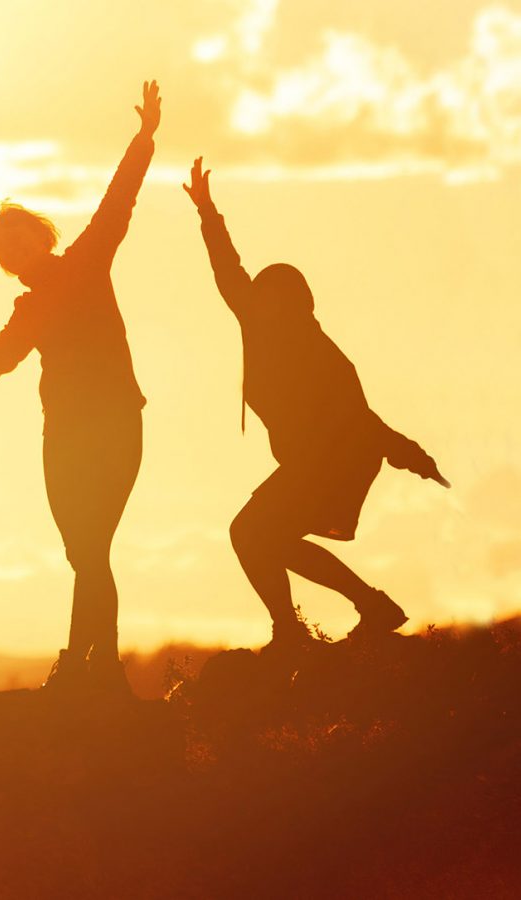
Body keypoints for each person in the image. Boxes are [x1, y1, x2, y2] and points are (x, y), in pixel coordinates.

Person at [0, 82, 161, 691]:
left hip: (116, 425)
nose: (13, 249)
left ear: (41, 238)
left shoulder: (84, 262)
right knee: (84, 553)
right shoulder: (29, 312)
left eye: (19, 237)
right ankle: (96, 663)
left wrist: (144, 137)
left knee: (93, 544)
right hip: (64, 437)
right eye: (3, 247)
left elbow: (117, 203)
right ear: (4, 262)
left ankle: (88, 664)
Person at [182, 157, 449, 651]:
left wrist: (408, 453)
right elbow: (228, 269)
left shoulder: (320, 353)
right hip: (309, 463)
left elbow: (360, 418)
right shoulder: (256, 326)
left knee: (250, 533)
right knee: (268, 539)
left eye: (279, 298)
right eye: (262, 297)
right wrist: (206, 210)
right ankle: (362, 609)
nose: (266, 304)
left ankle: (298, 628)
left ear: (299, 303)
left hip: (335, 463)